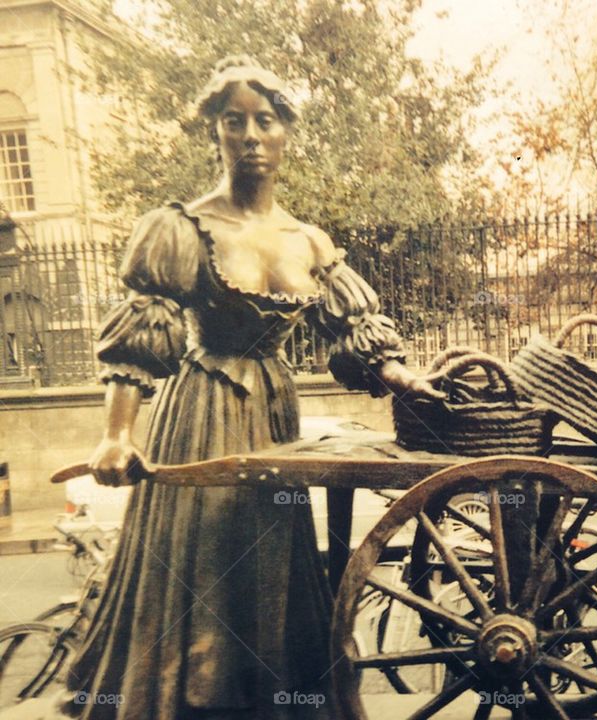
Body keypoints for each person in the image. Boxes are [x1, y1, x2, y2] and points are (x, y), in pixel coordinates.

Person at [65, 55, 439, 720]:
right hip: (202, 410)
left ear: (285, 132)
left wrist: (402, 376)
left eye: (265, 120)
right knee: (206, 566)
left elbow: (352, 333)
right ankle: (191, 703)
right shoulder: (180, 228)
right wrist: (117, 435)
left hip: (274, 413)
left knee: (275, 563)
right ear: (216, 133)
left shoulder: (309, 242)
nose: (250, 135)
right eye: (233, 121)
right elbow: (140, 340)